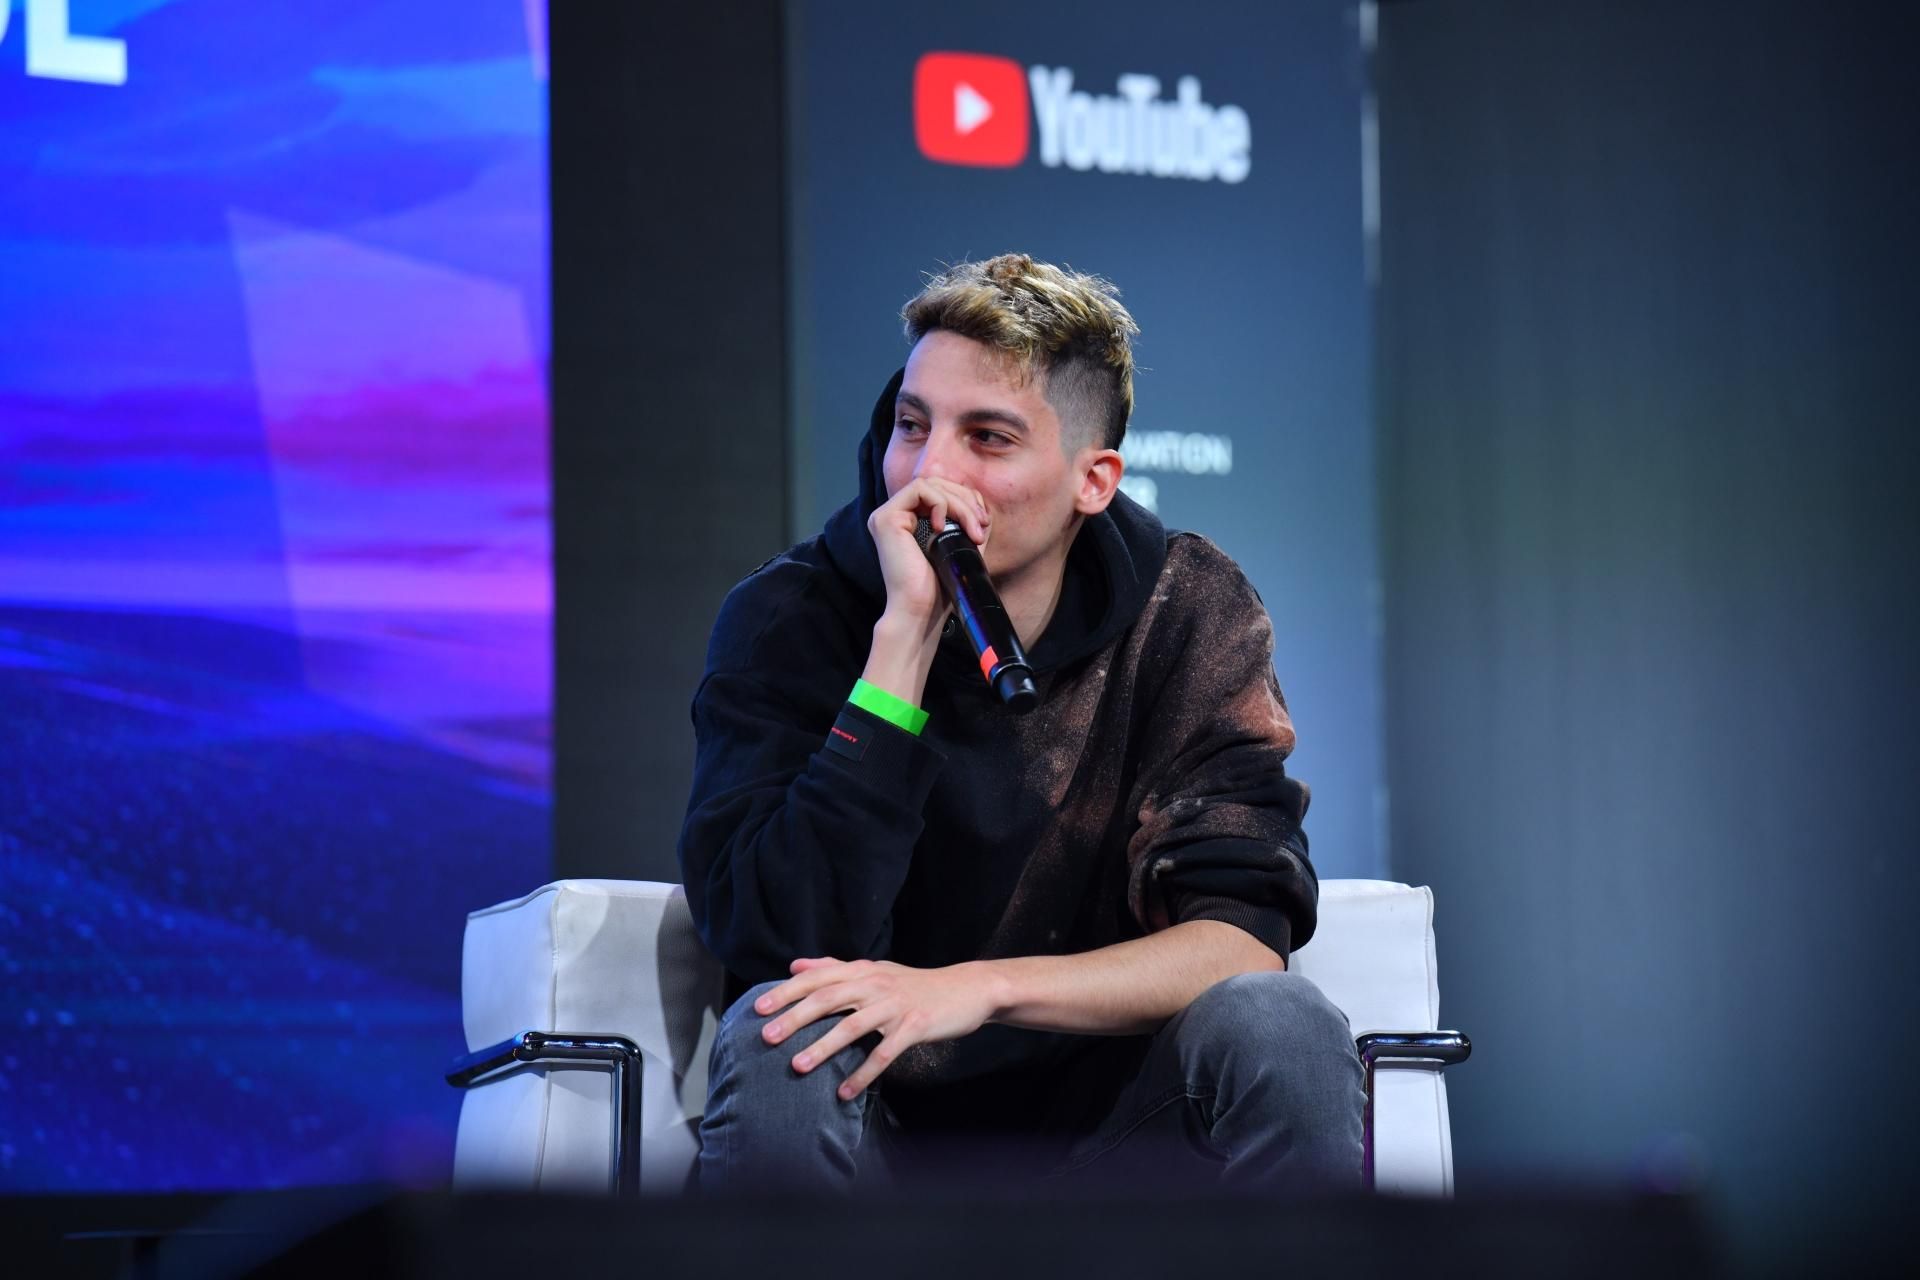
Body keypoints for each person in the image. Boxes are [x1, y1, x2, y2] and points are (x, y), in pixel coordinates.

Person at [678, 253, 1363, 1195]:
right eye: (911, 425)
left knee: (1282, 1024)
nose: (930, 472)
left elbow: (1240, 939)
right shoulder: (790, 616)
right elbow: (774, 941)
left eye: (989, 439)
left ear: (1094, 481)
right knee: (783, 1033)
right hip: (875, 1130)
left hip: (1115, 1141)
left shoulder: (1188, 608)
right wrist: (902, 645)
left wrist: (979, 988)